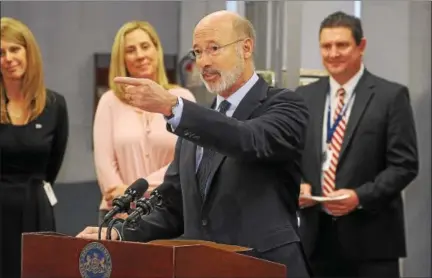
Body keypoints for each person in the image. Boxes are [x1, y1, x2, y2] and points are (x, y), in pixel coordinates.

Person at [78, 10, 311, 277]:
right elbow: (172, 206)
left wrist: (172, 106)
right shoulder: (193, 124)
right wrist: (118, 232)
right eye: (197, 53)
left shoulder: (284, 105)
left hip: (266, 267)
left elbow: (249, 140)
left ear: (246, 48)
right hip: (205, 268)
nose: (203, 62)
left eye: (213, 49)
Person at [296, 11, 418, 278]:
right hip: (315, 240)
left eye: (342, 45)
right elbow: (292, 156)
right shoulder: (304, 97)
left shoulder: (390, 96)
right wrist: (298, 182)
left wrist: (360, 197)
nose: (333, 53)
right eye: (326, 46)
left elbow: (405, 165)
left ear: (361, 46)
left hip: (371, 242)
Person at [93, 20, 195, 225]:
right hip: (118, 213)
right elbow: (104, 164)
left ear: (157, 50)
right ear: (122, 58)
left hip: (168, 212)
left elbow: (185, 161)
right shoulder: (109, 101)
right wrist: (124, 199)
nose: (140, 55)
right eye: (131, 50)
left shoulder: (182, 98)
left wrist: (137, 190)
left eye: (145, 46)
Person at [0, 17, 69, 278]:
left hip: (36, 208)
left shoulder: (55, 105)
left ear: (29, 52)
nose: (8, 58)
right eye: (0, 52)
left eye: (14, 49)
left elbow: (53, 164)